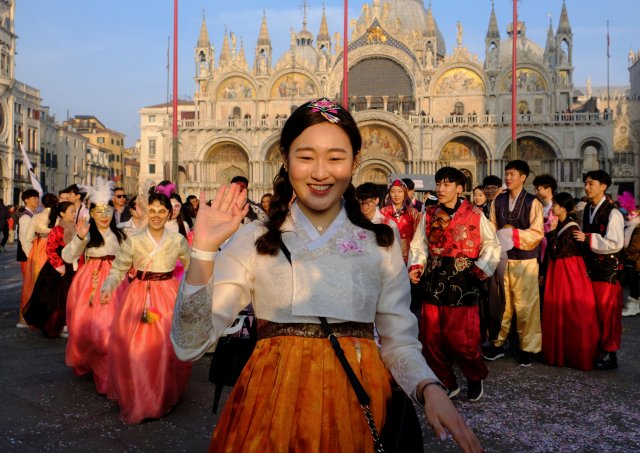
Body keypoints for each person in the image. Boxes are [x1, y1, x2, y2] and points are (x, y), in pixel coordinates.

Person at [170, 98, 482, 452]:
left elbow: (399, 341)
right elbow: (188, 345)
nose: (320, 172)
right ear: (285, 160)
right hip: (271, 409)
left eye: (335, 158)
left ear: (355, 161)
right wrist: (204, 250)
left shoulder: (379, 241)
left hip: (357, 405)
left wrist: (428, 388)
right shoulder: (254, 239)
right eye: (305, 157)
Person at [409, 167, 500, 401]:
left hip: (463, 280)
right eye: (439, 183)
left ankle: (474, 376)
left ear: (460, 189)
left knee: (462, 339)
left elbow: (491, 244)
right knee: (430, 338)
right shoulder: (428, 214)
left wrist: (483, 267)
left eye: (447, 184)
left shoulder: (476, 214)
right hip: (435, 279)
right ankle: (447, 381)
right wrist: (417, 265)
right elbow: (419, 245)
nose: (440, 188)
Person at [100, 192, 192, 424]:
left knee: (164, 350)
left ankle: (160, 396)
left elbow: (192, 267)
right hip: (139, 297)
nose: (157, 216)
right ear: (146, 212)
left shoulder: (177, 240)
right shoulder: (133, 240)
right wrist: (108, 287)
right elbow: (119, 268)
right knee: (135, 349)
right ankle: (140, 397)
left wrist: (195, 292)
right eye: (152, 210)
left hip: (168, 295)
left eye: (162, 211)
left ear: (169, 214)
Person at [62, 178, 128, 394]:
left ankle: (107, 375)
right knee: (89, 329)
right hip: (90, 283)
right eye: (98, 211)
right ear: (92, 213)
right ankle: (95, 364)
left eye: (107, 210)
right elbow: (67, 255)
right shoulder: (87, 234)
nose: (103, 215)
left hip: (116, 282)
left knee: (110, 330)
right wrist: (80, 238)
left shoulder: (121, 234)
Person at [484, 160, 544, 366]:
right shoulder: (497, 201)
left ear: (523, 177)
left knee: (526, 305)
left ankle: (527, 347)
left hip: (525, 261)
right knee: (501, 303)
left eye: (513, 174)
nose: (508, 178)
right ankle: (498, 343)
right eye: (507, 174)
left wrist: (513, 235)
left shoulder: (532, 202)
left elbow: (537, 233)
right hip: (502, 259)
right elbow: (491, 228)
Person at [541, 193, 599, 370]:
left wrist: (550, 234)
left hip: (570, 271)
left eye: (556, 205)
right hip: (560, 270)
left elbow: (558, 251)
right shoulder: (561, 224)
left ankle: (574, 353)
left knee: (571, 311)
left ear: (564, 207)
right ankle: (561, 351)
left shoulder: (571, 227)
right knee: (559, 310)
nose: (553, 208)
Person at [573, 170, 624, 370]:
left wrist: (588, 238)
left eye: (591, 183)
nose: (587, 187)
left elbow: (616, 243)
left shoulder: (614, 213)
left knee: (607, 312)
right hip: (591, 269)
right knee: (593, 312)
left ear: (603, 186)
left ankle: (610, 353)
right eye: (585, 183)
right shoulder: (587, 210)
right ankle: (597, 348)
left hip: (607, 271)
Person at [22, 202, 78, 338]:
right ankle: (58, 325)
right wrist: (60, 266)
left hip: (73, 264)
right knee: (58, 298)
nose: (74, 214)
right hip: (59, 268)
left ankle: (69, 323)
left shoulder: (76, 227)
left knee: (72, 295)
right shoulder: (56, 230)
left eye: (74, 211)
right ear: (62, 214)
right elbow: (51, 250)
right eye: (71, 211)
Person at [21, 193, 59, 317]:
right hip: (55, 249)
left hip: (40, 249)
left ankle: (36, 314)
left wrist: (32, 250)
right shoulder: (59, 217)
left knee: (36, 281)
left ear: (42, 204)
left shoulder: (36, 217)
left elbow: (28, 237)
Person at [380, 178, 421, 264]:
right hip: (388, 256)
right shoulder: (383, 212)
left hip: (409, 257)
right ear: (389, 193)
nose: (396, 195)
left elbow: (418, 236)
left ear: (405, 193)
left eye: (400, 191)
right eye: (392, 191)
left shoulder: (413, 213)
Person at [16, 189, 41, 328]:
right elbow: (25, 241)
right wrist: (32, 257)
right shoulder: (25, 217)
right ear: (26, 200)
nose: (36, 200)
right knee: (28, 287)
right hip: (29, 257)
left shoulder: (34, 215)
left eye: (37, 198)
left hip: (33, 255)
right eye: (33, 198)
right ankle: (24, 317)